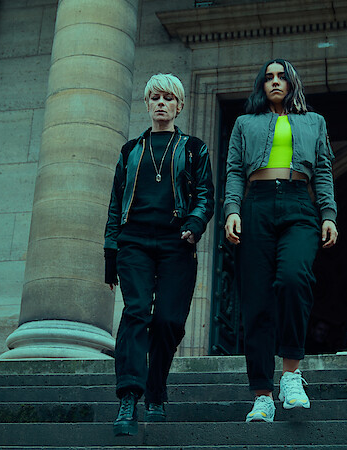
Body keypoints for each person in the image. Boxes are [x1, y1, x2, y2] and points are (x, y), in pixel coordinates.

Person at [223, 59, 338, 423]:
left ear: (292, 83)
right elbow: (233, 169)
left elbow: (322, 170)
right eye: (268, 77)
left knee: (293, 278)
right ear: (261, 85)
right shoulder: (245, 123)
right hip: (255, 205)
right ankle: (262, 395)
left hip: (298, 204)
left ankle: (291, 374)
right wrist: (231, 209)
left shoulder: (313, 122)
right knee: (256, 301)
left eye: (281, 76)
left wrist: (329, 214)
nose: (275, 82)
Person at [104, 73, 215, 436]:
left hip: (176, 242)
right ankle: (129, 398)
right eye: (155, 98)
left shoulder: (193, 148)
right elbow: (115, 203)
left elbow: (205, 194)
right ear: (148, 105)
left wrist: (195, 225)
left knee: (169, 321)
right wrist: (111, 251)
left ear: (179, 106)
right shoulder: (130, 150)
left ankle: (156, 389)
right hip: (134, 239)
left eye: (169, 98)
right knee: (135, 313)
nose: (162, 104)